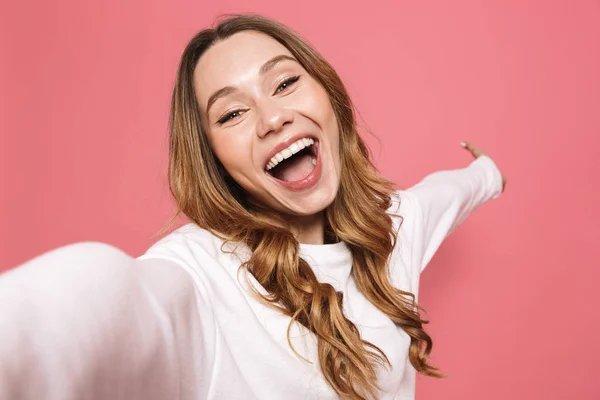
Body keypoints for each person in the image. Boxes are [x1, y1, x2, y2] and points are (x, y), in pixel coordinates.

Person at [0, 13, 506, 400]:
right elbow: (102, 302)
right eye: (233, 112)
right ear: (214, 159)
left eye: (285, 83)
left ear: (328, 96)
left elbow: (452, 192)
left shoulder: (394, 224)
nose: (271, 118)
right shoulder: (201, 275)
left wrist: (487, 173)